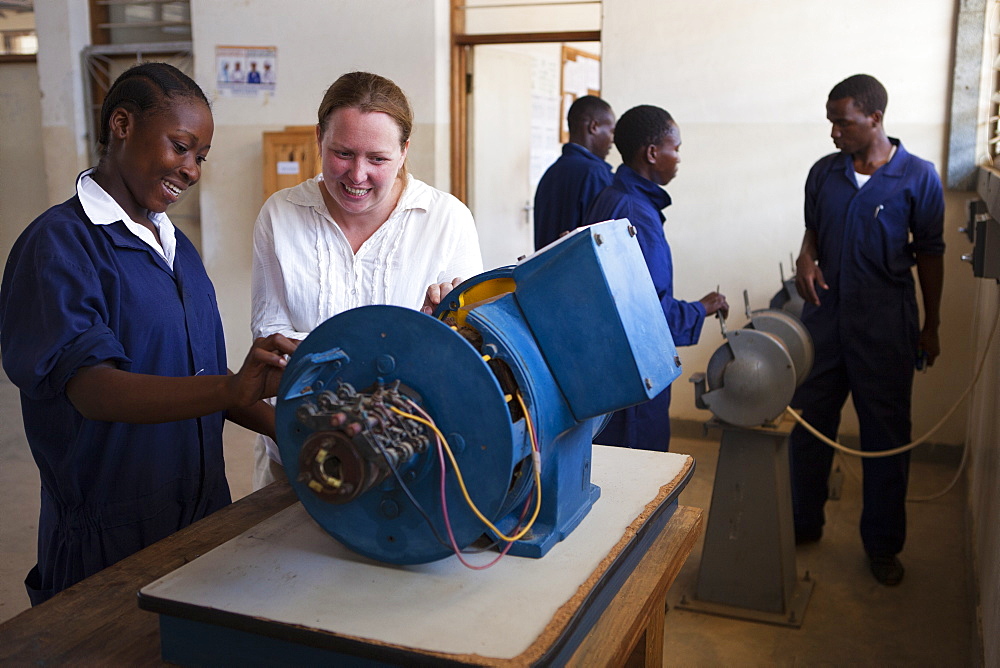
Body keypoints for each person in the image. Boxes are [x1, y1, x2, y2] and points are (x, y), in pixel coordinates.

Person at [0, 62, 297, 606]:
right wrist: (229, 389)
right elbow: (93, 389)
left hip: (200, 511)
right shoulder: (60, 245)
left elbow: (203, 380)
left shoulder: (174, 245)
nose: (191, 170)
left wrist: (298, 436)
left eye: (200, 157)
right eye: (180, 147)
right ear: (122, 124)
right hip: (108, 533)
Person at [251, 71, 483, 489]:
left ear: (404, 152)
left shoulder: (447, 221)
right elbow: (271, 339)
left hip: (407, 458)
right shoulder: (281, 214)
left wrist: (445, 327)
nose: (357, 175)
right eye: (342, 153)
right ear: (318, 138)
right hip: (301, 451)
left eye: (377, 159)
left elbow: (470, 355)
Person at [789, 74, 944, 587]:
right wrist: (806, 258)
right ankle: (801, 523)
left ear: (875, 119)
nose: (834, 133)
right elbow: (812, 231)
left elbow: (930, 254)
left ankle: (882, 545)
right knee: (812, 428)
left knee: (885, 438)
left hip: (886, 326)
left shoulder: (918, 177)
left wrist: (931, 324)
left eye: (844, 123)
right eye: (831, 122)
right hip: (826, 320)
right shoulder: (824, 173)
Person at [584, 105, 728, 452]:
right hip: (634, 374)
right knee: (638, 477)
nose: (678, 157)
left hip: (608, 370)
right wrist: (699, 309)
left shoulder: (612, 198)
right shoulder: (636, 214)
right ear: (652, 152)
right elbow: (645, 312)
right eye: (674, 148)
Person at [533, 95, 616, 250]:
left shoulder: (550, 173)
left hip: (547, 273)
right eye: (611, 131)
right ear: (594, 127)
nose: (613, 140)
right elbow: (602, 243)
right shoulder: (595, 173)